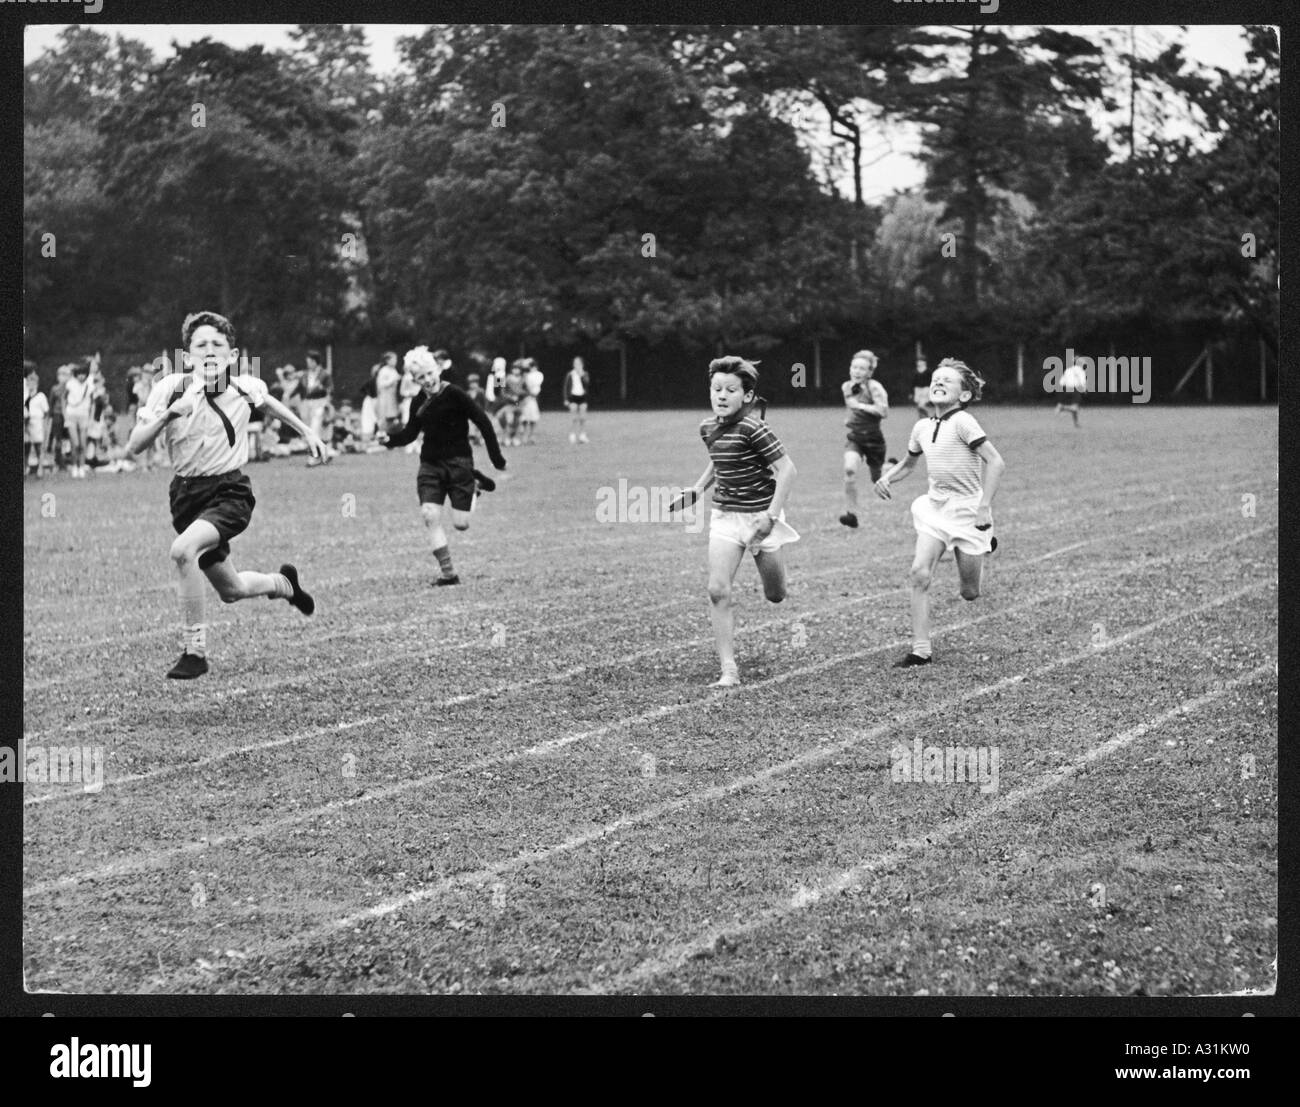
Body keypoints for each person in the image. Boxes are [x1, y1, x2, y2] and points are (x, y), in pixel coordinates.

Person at [126, 311, 326, 680]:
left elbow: (269, 404)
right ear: (187, 357)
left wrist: (307, 433)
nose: (210, 350)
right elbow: (135, 446)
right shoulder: (169, 387)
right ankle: (284, 584)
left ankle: (195, 651)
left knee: (182, 551)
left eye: (218, 344)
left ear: (233, 356)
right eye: (201, 345)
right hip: (186, 497)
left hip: (231, 492)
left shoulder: (243, 386)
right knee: (231, 590)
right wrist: (169, 415)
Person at [670, 357, 798, 688]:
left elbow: (787, 470)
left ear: (748, 395)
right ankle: (729, 669)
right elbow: (718, 461)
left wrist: (771, 518)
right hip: (725, 516)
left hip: (760, 518)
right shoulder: (707, 427)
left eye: (730, 390)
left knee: (776, 594)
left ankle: (779, 571)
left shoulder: (756, 429)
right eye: (716, 389)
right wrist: (697, 490)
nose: (722, 395)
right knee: (717, 589)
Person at [874, 358, 1006, 669]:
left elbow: (996, 462)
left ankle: (985, 543)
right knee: (919, 573)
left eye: (948, 380)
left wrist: (984, 506)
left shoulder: (964, 422)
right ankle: (921, 650)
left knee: (970, 593)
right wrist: (887, 477)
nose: (939, 382)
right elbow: (909, 464)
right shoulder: (921, 426)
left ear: (964, 395)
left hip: (968, 512)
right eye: (936, 378)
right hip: (934, 509)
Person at [380, 345, 507, 586]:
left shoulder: (455, 393)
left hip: (459, 463)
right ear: (414, 379)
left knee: (461, 524)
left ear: (437, 369)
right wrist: (389, 440)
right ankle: (448, 574)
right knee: (429, 515)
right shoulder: (418, 401)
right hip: (430, 465)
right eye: (420, 377)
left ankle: (475, 482)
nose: (427, 380)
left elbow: (482, 421)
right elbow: (409, 433)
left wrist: (496, 458)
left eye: (429, 373)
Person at [839, 349, 895, 529]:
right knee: (849, 470)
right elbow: (851, 408)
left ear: (870, 372)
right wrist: (850, 419)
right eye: (854, 367)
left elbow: (883, 411)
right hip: (855, 437)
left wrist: (861, 406)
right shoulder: (846, 386)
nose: (857, 371)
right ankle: (851, 514)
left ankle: (891, 466)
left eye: (862, 368)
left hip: (873, 439)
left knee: (877, 479)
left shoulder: (875, 387)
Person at [62, 358, 96, 478]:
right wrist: (65, 414)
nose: (81, 376)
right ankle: (74, 466)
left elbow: (92, 403)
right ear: (76, 374)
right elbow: (64, 399)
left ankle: (81, 466)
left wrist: (91, 418)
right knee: (75, 443)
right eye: (79, 374)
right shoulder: (70, 384)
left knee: (82, 443)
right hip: (71, 415)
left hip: (84, 416)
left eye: (84, 374)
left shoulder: (90, 385)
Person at [300, 349, 334, 451]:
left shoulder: (324, 374)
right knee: (308, 427)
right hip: (307, 403)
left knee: (317, 426)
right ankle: (316, 449)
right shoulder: (306, 374)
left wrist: (327, 404)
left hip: (320, 402)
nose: (308, 364)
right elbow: (300, 388)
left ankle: (318, 451)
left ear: (315, 361)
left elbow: (330, 390)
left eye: (309, 362)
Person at [24, 364, 49, 477]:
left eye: (33, 381)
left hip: (37, 422)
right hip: (26, 423)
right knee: (26, 447)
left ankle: (40, 467)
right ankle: (24, 468)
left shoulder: (41, 396)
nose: (30, 383)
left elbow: (46, 412)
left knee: (39, 446)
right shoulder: (24, 395)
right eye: (29, 381)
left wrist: (45, 426)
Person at [48, 363, 70, 473]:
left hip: (68, 417)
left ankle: (65, 461)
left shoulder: (70, 388)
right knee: (58, 440)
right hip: (57, 417)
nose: (63, 377)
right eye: (61, 374)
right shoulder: (54, 389)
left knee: (67, 440)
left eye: (65, 374)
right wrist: (49, 419)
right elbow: (51, 405)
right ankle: (57, 461)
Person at [564, 355, 590, 443]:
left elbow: (587, 384)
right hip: (573, 397)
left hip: (582, 397)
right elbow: (566, 387)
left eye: (578, 363)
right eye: (575, 363)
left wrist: (581, 375)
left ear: (582, 364)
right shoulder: (570, 374)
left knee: (583, 417)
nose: (576, 365)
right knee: (573, 417)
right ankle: (572, 435)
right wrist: (566, 399)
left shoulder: (585, 374)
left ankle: (582, 435)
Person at [519, 357, 544, 445]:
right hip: (522, 399)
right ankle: (523, 436)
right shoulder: (524, 375)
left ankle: (532, 436)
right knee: (524, 418)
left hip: (531, 398)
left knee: (533, 418)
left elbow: (534, 389)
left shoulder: (537, 375)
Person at [1055, 361, 1086, 427]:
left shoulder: (1068, 370)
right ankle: (1062, 407)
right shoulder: (1081, 371)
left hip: (1066, 389)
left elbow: (1061, 382)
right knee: (1075, 408)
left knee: (1074, 407)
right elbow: (1082, 382)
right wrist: (1084, 389)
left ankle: (1076, 423)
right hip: (1075, 389)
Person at [912, 354, 933, 419]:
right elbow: (913, 382)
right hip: (917, 390)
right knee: (918, 406)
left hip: (925, 389)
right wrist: (911, 392)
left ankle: (927, 417)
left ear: (924, 362)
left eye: (920, 361)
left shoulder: (928, 371)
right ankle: (922, 418)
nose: (919, 362)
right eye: (918, 361)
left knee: (922, 405)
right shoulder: (916, 371)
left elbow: (931, 381)